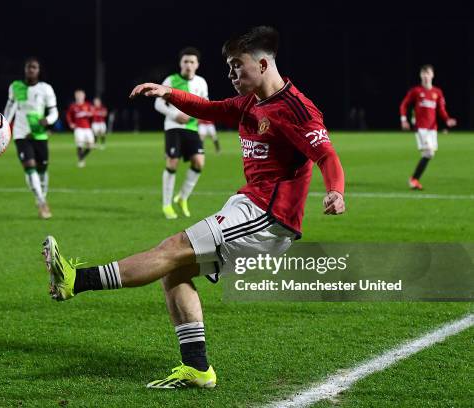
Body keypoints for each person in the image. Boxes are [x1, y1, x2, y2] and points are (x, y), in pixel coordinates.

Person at [42, 26, 345, 389]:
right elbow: (209, 109)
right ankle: (198, 369)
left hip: (268, 217)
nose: (231, 75)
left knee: (172, 249)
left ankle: (76, 280)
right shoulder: (252, 102)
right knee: (175, 272)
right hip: (249, 207)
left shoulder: (295, 109)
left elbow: (326, 154)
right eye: (229, 67)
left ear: (263, 64)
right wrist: (169, 92)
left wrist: (336, 191)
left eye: (237, 66)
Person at [155, 47, 209, 219]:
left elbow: (205, 103)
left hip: (192, 128)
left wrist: (197, 113)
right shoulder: (170, 80)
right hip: (173, 127)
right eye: (185, 61)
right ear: (180, 63)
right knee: (172, 163)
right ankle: (166, 205)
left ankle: (182, 197)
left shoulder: (201, 82)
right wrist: (175, 115)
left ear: (197, 65)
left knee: (199, 162)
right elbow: (158, 104)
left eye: (192, 62)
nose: (188, 65)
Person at [4, 56, 57, 219]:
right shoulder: (15, 86)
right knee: (30, 166)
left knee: (42, 169)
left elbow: (54, 112)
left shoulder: (46, 89)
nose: (31, 70)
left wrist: (47, 120)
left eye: (34, 67)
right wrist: (3, 126)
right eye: (28, 67)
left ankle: (42, 195)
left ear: (39, 71)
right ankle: (41, 202)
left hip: (39, 134)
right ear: (25, 70)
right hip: (21, 134)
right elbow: (10, 107)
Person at [399, 64, 456, 190]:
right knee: (428, 152)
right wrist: (404, 119)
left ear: (432, 75)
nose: (425, 76)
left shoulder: (437, 92)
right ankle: (413, 180)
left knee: (429, 154)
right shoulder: (416, 91)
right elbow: (404, 105)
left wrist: (447, 120)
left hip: (432, 129)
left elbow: (441, 109)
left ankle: (414, 179)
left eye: (428, 73)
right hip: (421, 128)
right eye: (423, 73)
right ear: (420, 75)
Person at [66, 90, 94, 168]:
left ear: (84, 96)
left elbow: (92, 113)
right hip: (78, 128)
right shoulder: (73, 106)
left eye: (81, 95)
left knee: (91, 146)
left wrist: (87, 114)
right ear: (75, 96)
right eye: (78, 95)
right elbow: (68, 115)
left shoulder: (88, 105)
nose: (79, 96)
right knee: (80, 144)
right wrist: (70, 123)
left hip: (87, 128)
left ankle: (82, 157)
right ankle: (81, 161)